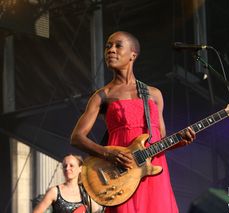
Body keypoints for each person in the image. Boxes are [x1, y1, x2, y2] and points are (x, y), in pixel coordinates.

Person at [70, 31, 196, 213]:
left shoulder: (154, 94)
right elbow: (77, 137)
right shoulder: (102, 95)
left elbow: (159, 140)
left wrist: (180, 142)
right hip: (121, 174)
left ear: (133, 55)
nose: (110, 50)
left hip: (153, 174)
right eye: (108, 46)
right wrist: (107, 153)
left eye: (117, 45)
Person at [33, 154, 103, 213]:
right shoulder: (54, 191)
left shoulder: (85, 192)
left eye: (71, 165)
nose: (67, 168)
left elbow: (97, 211)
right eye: (65, 166)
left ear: (80, 169)